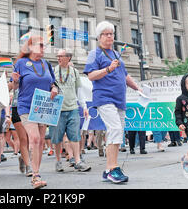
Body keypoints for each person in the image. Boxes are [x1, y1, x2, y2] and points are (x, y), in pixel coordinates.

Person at [83, 21, 142, 184]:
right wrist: (107, 69)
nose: (110, 36)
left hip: (119, 99)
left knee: (117, 132)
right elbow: (91, 75)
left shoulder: (116, 54)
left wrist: (138, 88)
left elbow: (124, 75)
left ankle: (109, 169)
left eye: (112, 33)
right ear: (99, 37)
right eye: (106, 34)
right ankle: (113, 168)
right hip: (104, 97)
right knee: (114, 128)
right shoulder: (94, 54)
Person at [11, 34, 59, 189]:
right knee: (35, 138)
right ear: (30, 47)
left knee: (38, 143)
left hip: (43, 106)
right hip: (26, 106)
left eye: (44, 45)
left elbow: (52, 83)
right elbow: (14, 87)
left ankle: (36, 173)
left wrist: (54, 89)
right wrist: (15, 80)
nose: (44, 48)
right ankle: (35, 175)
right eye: (40, 45)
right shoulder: (21, 63)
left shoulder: (46, 64)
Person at [52, 49, 90, 172]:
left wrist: (84, 106)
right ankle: (58, 161)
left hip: (73, 108)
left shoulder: (74, 72)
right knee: (57, 138)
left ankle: (78, 161)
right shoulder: (53, 71)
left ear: (68, 57)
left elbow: (79, 90)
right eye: (57, 56)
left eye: (61, 56)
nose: (58, 58)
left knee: (75, 135)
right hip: (58, 109)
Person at [10, 87, 32, 177]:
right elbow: (6, 87)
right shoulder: (16, 75)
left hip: (30, 106)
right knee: (23, 138)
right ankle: (28, 166)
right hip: (17, 107)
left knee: (30, 138)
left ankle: (23, 157)